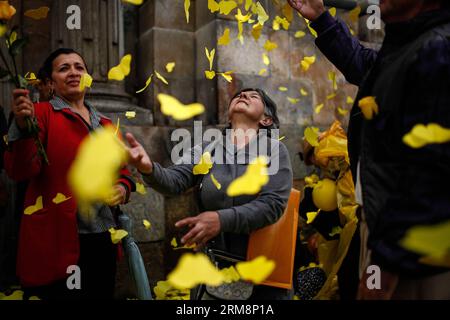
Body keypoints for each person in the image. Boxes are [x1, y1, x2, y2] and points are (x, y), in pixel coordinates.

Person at [288, 0, 450, 299]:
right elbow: (366, 66)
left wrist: (387, 263)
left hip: (415, 256)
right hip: (383, 232)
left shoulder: (438, 51)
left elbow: (431, 173)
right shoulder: (407, 45)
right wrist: (321, 18)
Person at [126, 88, 293, 300]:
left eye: (253, 96)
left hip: (262, 279)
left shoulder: (274, 150)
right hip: (213, 276)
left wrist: (220, 220)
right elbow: (175, 181)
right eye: (239, 95)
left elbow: (273, 205)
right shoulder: (207, 149)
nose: (243, 96)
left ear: (267, 120)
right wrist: (148, 168)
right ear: (229, 114)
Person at [3, 48, 136, 300]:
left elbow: (124, 173)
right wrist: (22, 127)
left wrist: (122, 188)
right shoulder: (40, 114)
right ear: (51, 82)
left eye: (79, 67)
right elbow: (19, 170)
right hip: (55, 239)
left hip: (101, 238)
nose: (73, 72)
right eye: (64, 68)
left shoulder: (107, 125)